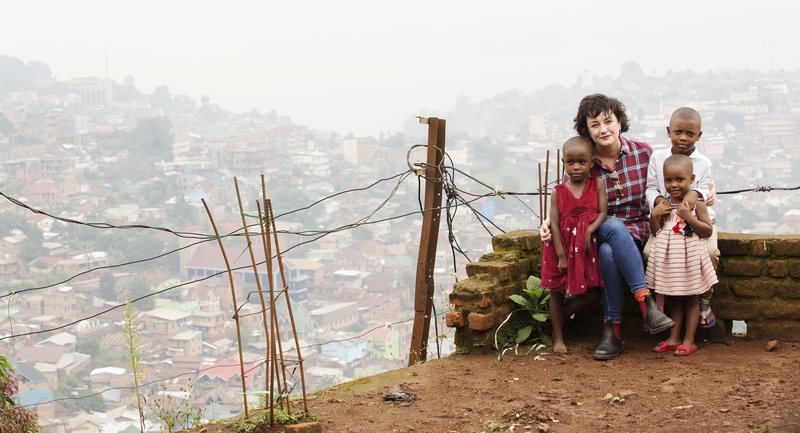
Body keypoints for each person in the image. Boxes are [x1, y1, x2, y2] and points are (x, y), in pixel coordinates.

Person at [541, 94, 674, 360]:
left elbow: (670, 183)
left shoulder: (644, 153)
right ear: (586, 130)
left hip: (637, 231)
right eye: (595, 125)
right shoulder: (583, 161)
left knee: (608, 254)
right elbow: (566, 200)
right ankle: (646, 305)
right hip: (598, 228)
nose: (603, 130)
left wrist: (704, 190)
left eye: (608, 121)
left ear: (620, 123)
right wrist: (547, 223)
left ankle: (612, 331)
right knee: (612, 225)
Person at [645, 107, 719, 328]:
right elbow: (650, 188)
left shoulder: (703, 162)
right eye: (678, 132)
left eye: (690, 134)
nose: (683, 138)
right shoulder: (658, 158)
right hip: (666, 221)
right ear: (668, 131)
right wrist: (659, 203)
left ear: (699, 135)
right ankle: (667, 296)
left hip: (696, 221)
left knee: (710, 252)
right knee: (649, 252)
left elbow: (703, 190)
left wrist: (694, 197)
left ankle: (704, 300)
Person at [540, 136, 607, 354]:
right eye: (571, 162)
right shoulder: (557, 192)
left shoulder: (597, 184)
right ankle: (558, 337)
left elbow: (603, 213)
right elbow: (556, 225)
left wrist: (589, 229)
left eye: (582, 162)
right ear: (563, 163)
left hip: (586, 248)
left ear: (592, 162)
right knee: (557, 291)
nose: (576, 167)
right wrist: (560, 255)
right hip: (561, 247)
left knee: (593, 291)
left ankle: (565, 316)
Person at [646, 154, 718, 355]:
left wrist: (689, 218)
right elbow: (656, 231)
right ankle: (674, 337)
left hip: (691, 259)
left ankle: (689, 339)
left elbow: (706, 231)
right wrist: (655, 215)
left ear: (692, 180)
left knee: (691, 299)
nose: (674, 185)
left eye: (680, 180)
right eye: (668, 180)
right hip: (673, 260)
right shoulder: (665, 204)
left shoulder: (696, 205)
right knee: (675, 298)